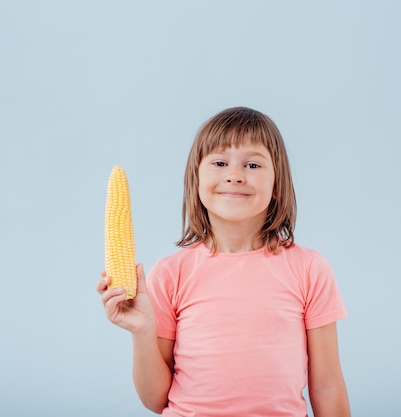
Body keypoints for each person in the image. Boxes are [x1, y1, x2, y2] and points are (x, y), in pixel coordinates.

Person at [97, 107, 350, 416]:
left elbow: (327, 385)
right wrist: (143, 332)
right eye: (219, 163)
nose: (234, 174)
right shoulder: (170, 273)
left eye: (253, 164)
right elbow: (157, 400)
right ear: (197, 179)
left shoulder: (309, 269)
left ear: (277, 184)